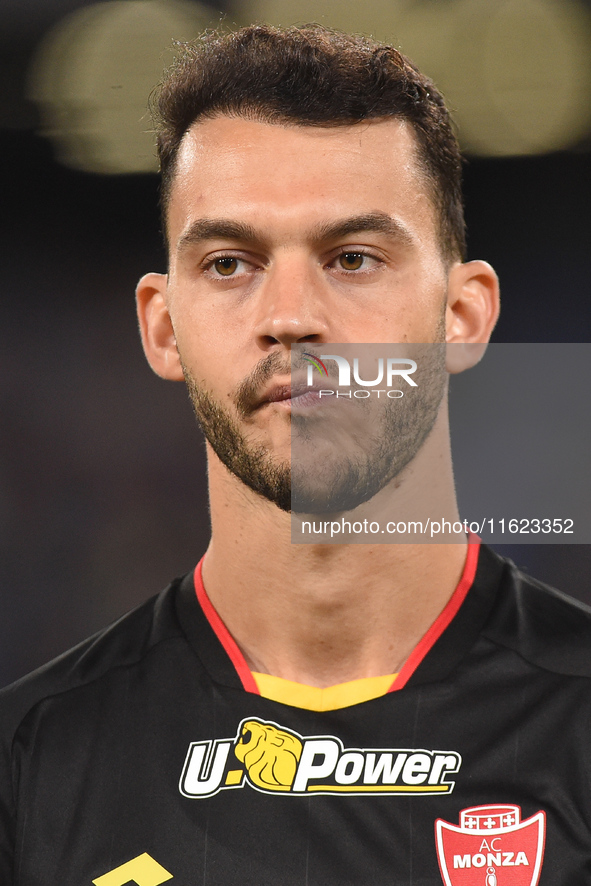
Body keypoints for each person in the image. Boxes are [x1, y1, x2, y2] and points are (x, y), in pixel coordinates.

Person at [0, 23, 589, 885]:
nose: (290, 317)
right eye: (231, 263)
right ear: (162, 328)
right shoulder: (30, 759)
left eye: (352, 258)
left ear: (463, 316)